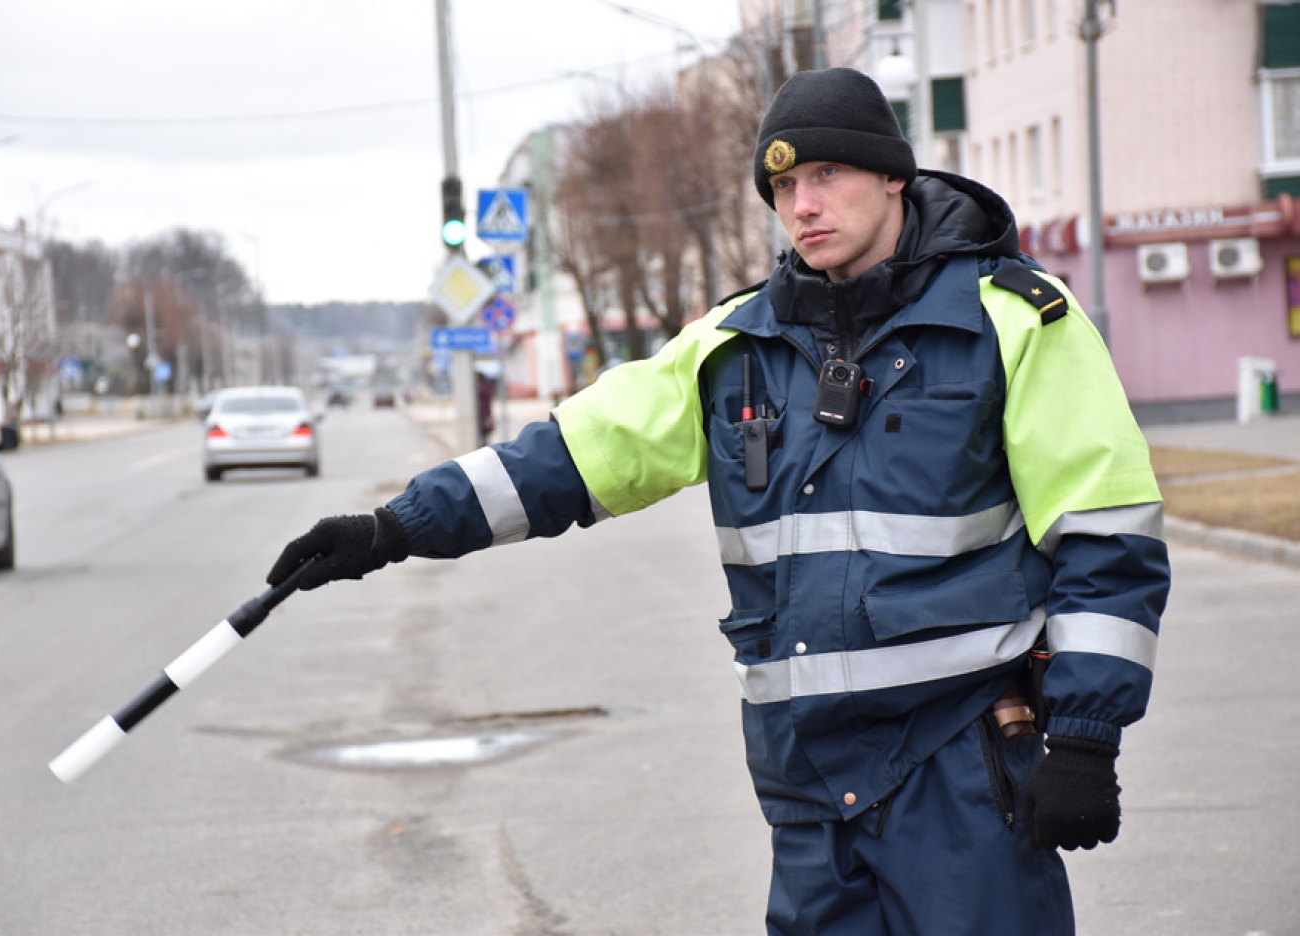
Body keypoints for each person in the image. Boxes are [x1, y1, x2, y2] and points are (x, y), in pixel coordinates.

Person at [269, 67, 1169, 935]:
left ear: (893, 176)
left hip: (962, 771)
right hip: (809, 789)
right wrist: (397, 527)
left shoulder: (1017, 320)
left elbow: (1107, 532)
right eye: (783, 189)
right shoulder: (734, 345)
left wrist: (1087, 735)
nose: (803, 205)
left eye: (827, 175)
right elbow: (581, 451)